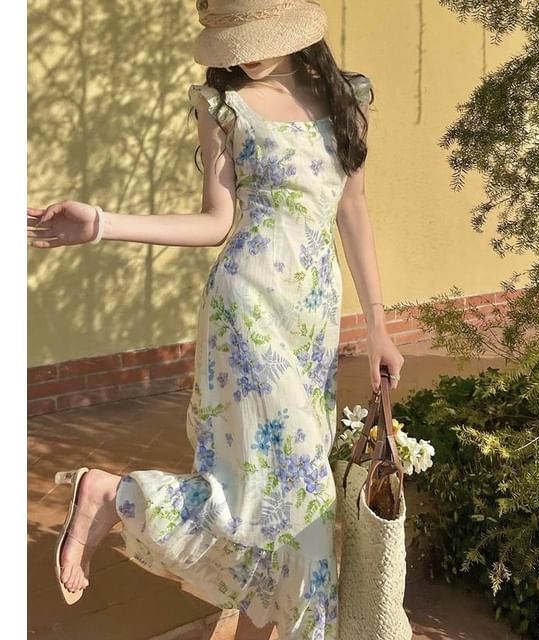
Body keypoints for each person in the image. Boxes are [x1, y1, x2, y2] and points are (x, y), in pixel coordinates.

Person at [26, 1, 405, 638]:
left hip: (311, 320)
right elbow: (215, 222)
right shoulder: (222, 105)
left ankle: (115, 497)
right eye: (232, 40)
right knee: (299, 489)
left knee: (269, 498)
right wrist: (103, 225)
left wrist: (378, 328)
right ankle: (116, 498)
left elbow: (354, 212)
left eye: (253, 37)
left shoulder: (347, 97)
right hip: (245, 312)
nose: (244, 54)